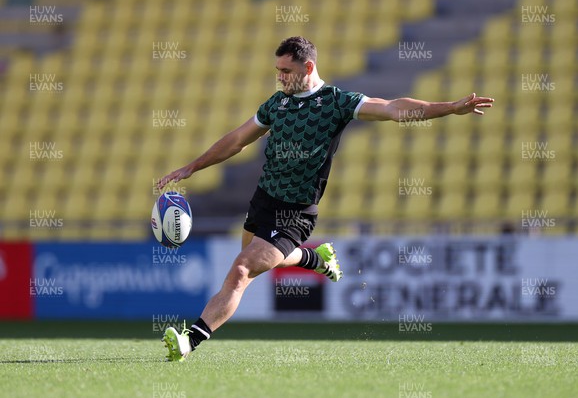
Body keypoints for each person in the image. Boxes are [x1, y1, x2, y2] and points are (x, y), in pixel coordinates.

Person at [156, 36, 494, 361]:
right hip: (263, 199)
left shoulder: (336, 102)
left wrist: (449, 107)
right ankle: (315, 260)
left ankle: (190, 341)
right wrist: (193, 167)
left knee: (241, 270)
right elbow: (238, 139)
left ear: (308, 67)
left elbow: (392, 108)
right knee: (257, 263)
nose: (279, 76)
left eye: (286, 71)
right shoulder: (278, 102)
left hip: (295, 212)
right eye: (277, 70)